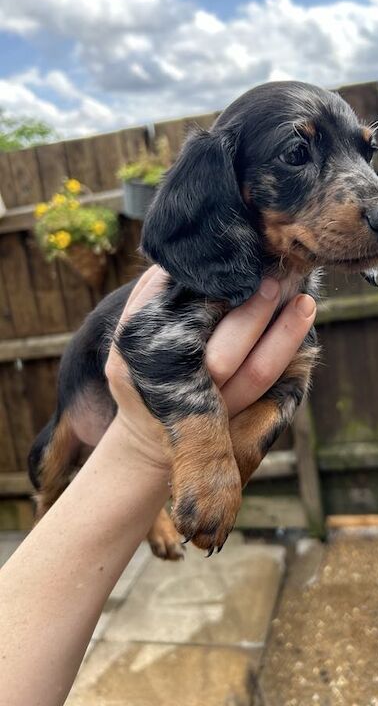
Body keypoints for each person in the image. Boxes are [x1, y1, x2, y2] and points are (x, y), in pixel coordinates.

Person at [0, 266, 317, 706]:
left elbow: (286, 386)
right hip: (89, 384)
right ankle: (51, 509)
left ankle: (151, 513)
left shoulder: (298, 304)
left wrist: (230, 461)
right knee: (50, 464)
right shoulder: (193, 274)